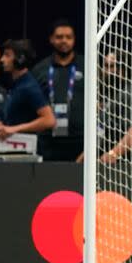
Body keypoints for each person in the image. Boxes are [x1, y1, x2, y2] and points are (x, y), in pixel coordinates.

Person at [76, 51, 132, 164]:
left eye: (111, 66)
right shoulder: (108, 95)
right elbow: (100, 132)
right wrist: (82, 159)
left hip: (126, 165)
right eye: (105, 66)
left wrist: (113, 154)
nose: (107, 71)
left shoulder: (131, 92)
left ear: (123, 69)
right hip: (102, 163)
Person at [31, 19, 85, 161]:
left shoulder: (88, 65)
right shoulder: (40, 69)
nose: (64, 41)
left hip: (80, 141)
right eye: (59, 37)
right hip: (48, 142)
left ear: (74, 40)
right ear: (51, 39)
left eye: (69, 37)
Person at [0, 39, 55, 143]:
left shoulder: (28, 87)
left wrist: (15, 129)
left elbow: (49, 120)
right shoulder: (18, 84)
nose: (2, 59)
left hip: (27, 148)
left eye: (7, 55)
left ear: (20, 59)